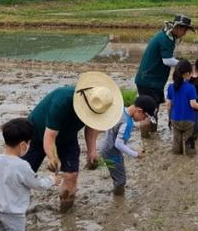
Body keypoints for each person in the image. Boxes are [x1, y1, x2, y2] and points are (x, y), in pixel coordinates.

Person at [23, 72, 123, 212]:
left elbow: (91, 127)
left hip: (68, 136)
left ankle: (66, 211)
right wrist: (52, 157)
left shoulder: (97, 106)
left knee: (72, 175)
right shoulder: (62, 101)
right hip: (38, 134)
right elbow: (49, 136)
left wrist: (91, 151)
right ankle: (12, 203)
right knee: (24, 173)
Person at [0, 118, 59, 231]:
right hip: (15, 215)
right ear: (23, 145)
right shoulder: (22, 165)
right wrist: (52, 180)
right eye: (28, 143)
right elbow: (38, 184)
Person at [135, 15, 195, 135]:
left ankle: (151, 136)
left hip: (151, 80)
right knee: (149, 113)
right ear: (178, 27)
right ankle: (147, 139)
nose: (184, 33)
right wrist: (183, 64)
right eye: (184, 30)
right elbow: (167, 60)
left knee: (153, 111)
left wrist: (179, 61)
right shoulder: (166, 39)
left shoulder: (166, 36)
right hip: (149, 81)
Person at [99, 95, 157, 196]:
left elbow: (119, 126)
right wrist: (136, 154)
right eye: (145, 117)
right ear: (139, 111)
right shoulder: (127, 123)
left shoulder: (121, 109)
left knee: (117, 174)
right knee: (121, 180)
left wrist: (137, 126)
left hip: (106, 145)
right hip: (112, 152)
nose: (143, 120)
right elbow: (118, 144)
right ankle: (118, 199)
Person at [167, 59, 198, 155]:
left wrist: (169, 118)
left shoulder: (170, 87)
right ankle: (190, 155)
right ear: (187, 73)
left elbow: (168, 105)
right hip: (189, 120)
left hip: (175, 119)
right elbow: (193, 104)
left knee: (176, 141)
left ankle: (176, 156)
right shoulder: (190, 87)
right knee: (189, 141)